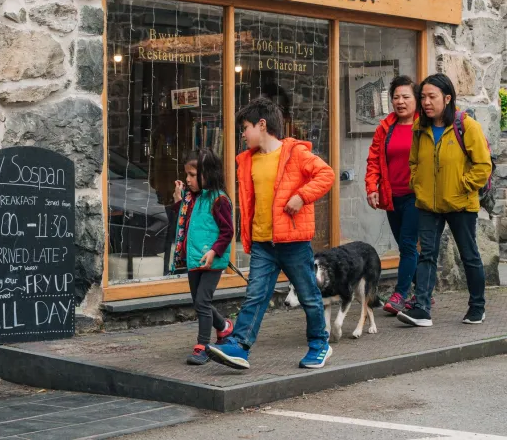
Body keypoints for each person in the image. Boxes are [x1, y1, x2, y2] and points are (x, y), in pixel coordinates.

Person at [206, 97, 335, 370]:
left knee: (309, 295)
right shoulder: (247, 161)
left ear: (262, 125)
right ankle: (239, 346)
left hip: (294, 242)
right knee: (255, 296)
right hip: (263, 243)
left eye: (245, 127)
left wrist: (301, 197)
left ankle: (320, 345)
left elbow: (326, 175)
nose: (242, 134)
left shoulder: (296, 153)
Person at [397, 73, 491, 328]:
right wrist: (418, 183)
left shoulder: (467, 126)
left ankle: (477, 307)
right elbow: (414, 161)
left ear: (447, 98)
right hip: (428, 203)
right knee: (426, 255)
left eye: (432, 97)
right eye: (423, 97)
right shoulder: (420, 127)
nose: (426, 102)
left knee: (469, 255)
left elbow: (483, 166)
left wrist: (463, 186)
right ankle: (422, 309)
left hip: (460, 203)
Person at [172, 149, 235, 365]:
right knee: (200, 302)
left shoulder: (219, 200)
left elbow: (227, 232)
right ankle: (225, 327)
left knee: (202, 301)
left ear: (207, 173)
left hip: (212, 261)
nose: (187, 180)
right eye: (186, 175)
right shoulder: (192, 199)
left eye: (191, 175)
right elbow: (186, 225)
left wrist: (214, 251)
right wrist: (178, 201)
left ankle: (203, 346)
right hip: (194, 260)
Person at [365, 75, 420, 315]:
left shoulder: (425, 125)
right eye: (396, 97)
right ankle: (424, 289)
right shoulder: (385, 128)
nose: (400, 101)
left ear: (416, 99)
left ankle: (400, 295)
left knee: (408, 244)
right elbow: (374, 161)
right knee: (405, 245)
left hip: (417, 197)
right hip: (392, 197)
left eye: (406, 96)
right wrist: (371, 187)